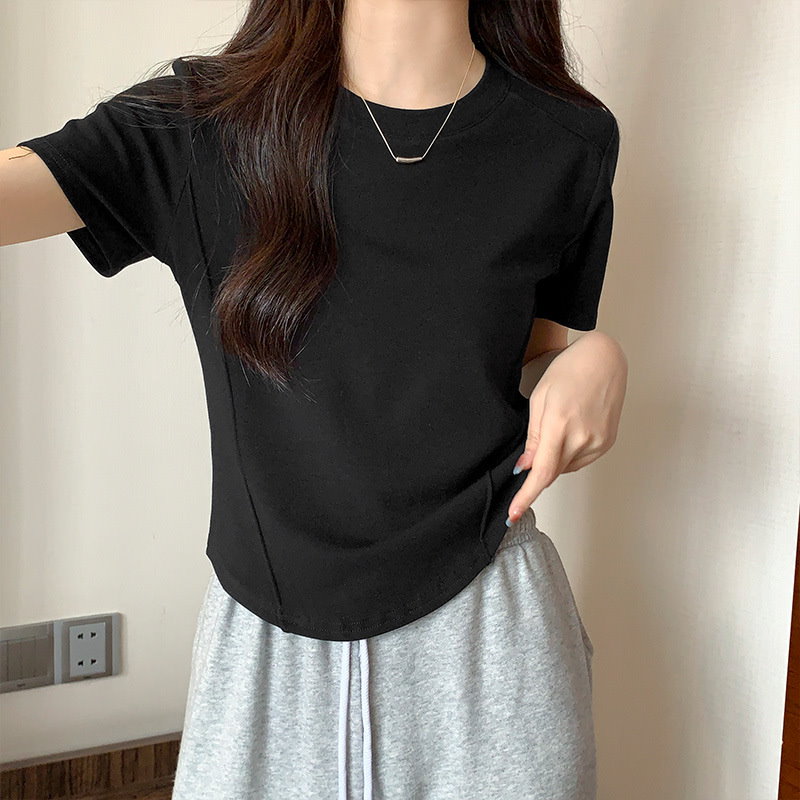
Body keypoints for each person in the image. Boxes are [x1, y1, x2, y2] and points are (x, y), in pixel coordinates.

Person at [1, 0, 628, 797]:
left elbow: (528, 362)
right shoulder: (203, 125)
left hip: (490, 645)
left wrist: (598, 357)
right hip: (267, 654)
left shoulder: (565, 141)